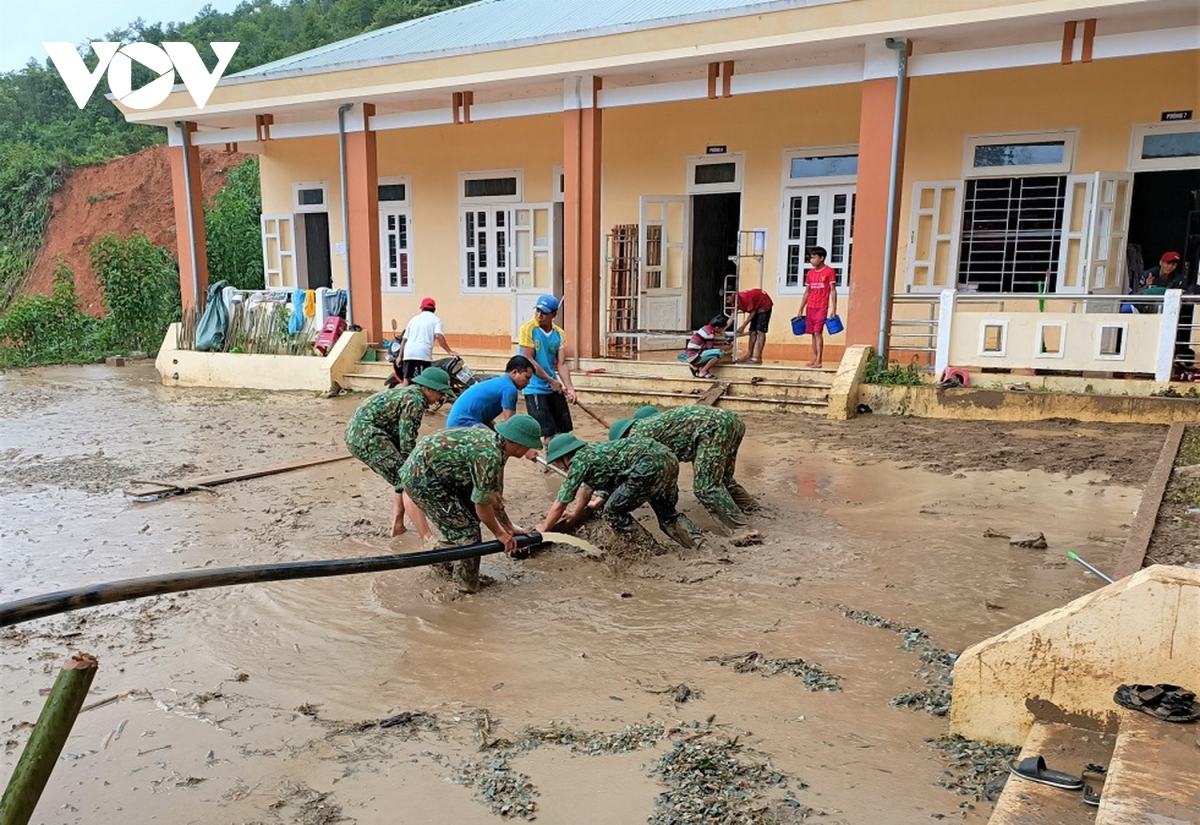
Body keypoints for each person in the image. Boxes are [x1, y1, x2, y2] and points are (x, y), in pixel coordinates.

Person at [396, 414, 544, 593]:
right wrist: (499, 534)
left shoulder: (496, 446)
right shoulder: (489, 455)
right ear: (520, 443)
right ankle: (465, 588)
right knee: (469, 535)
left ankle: (444, 561)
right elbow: (482, 504)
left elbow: (493, 496)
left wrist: (509, 527)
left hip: (446, 475)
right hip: (423, 479)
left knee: (468, 520)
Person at [534, 433, 700, 548]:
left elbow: (561, 502)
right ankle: (699, 545)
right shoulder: (594, 451)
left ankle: (650, 549)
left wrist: (546, 527)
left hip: (647, 465)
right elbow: (587, 490)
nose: (558, 466)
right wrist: (576, 514)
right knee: (668, 515)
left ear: (565, 456)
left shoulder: (579, 462)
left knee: (612, 512)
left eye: (556, 462)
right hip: (668, 458)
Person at [344, 368, 451, 537]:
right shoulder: (415, 400)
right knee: (409, 479)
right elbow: (407, 440)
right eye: (440, 393)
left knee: (400, 478)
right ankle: (427, 537)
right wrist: (414, 465)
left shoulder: (409, 394)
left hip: (359, 435)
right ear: (428, 388)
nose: (441, 399)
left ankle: (398, 524)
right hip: (368, 437)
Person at [609, 405, 752, 531]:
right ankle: (752, 508)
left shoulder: (638, 438)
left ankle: (742, 530)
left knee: (706, 488)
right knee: (723, 479)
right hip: (732, 421)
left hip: (713, 426)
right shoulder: (659, 427)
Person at [519, 294, 577, 449]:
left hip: (553, 387)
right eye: (537, 310)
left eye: (544, 312)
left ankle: (563, 460)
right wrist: (551, 381)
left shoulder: (559, 334)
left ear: (554, 315)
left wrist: (569, 387)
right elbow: (529, 360)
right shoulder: (528, 329)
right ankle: (549, 463)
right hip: (534, 387)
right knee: (548, 431)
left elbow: (562, 363)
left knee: (564, 429)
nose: (539, 315)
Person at [446, 355, 534, 428]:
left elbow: (486, 419)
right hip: (463, 423)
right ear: (514, 372)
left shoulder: (498, 381)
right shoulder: (509, 388)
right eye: (527, 377)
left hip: (455, 422)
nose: (528, 382)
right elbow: (510, 424)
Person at [395, 298, 458, 385]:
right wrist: (449, 351)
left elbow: (404, 340)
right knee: (426, 380)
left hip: (409, 353)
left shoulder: (413, 320)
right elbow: (439, 336)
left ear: (421, 308)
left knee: (407, 378)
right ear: (434, 309)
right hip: (424, 353)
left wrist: (399, 357)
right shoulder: (437, 320)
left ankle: (404, 396)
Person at [796, 246, 838, 368]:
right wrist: (801, 308)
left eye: (814, 258)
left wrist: (833, 308)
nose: (811, 260)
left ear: (821, 258)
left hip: (821, 307)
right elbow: (807, 291)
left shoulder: (829, 271)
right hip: (810, 307)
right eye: (811, 258)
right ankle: (814, 358)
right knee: (813, 334)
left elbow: (833, 290)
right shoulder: (810, 273)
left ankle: (819, 360)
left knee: (818, 332)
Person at [683, 315, 731, 379]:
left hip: (692, 354)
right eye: (722, 329)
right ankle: (703, 371)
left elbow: (708, 345)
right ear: (717, 328)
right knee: (720, 353)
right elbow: (710, 349)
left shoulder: (706, 328)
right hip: (694, 356)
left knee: (716, 352)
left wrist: (721, 345)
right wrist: (721, 348)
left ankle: (697, 368)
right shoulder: (709, 334)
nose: (723, 330)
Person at [734, 288, 773, 364]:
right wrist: (724, 329)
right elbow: (732, 316)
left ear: (733, 295)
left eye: (728, 299)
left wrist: (742, 327)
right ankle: (749, 354)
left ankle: (758, 356)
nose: (727, 301)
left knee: (760, 331)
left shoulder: (745, 299)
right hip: (756, 307)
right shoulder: (734, 302)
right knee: (752, 331)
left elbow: (752, 313)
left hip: (764, 306)